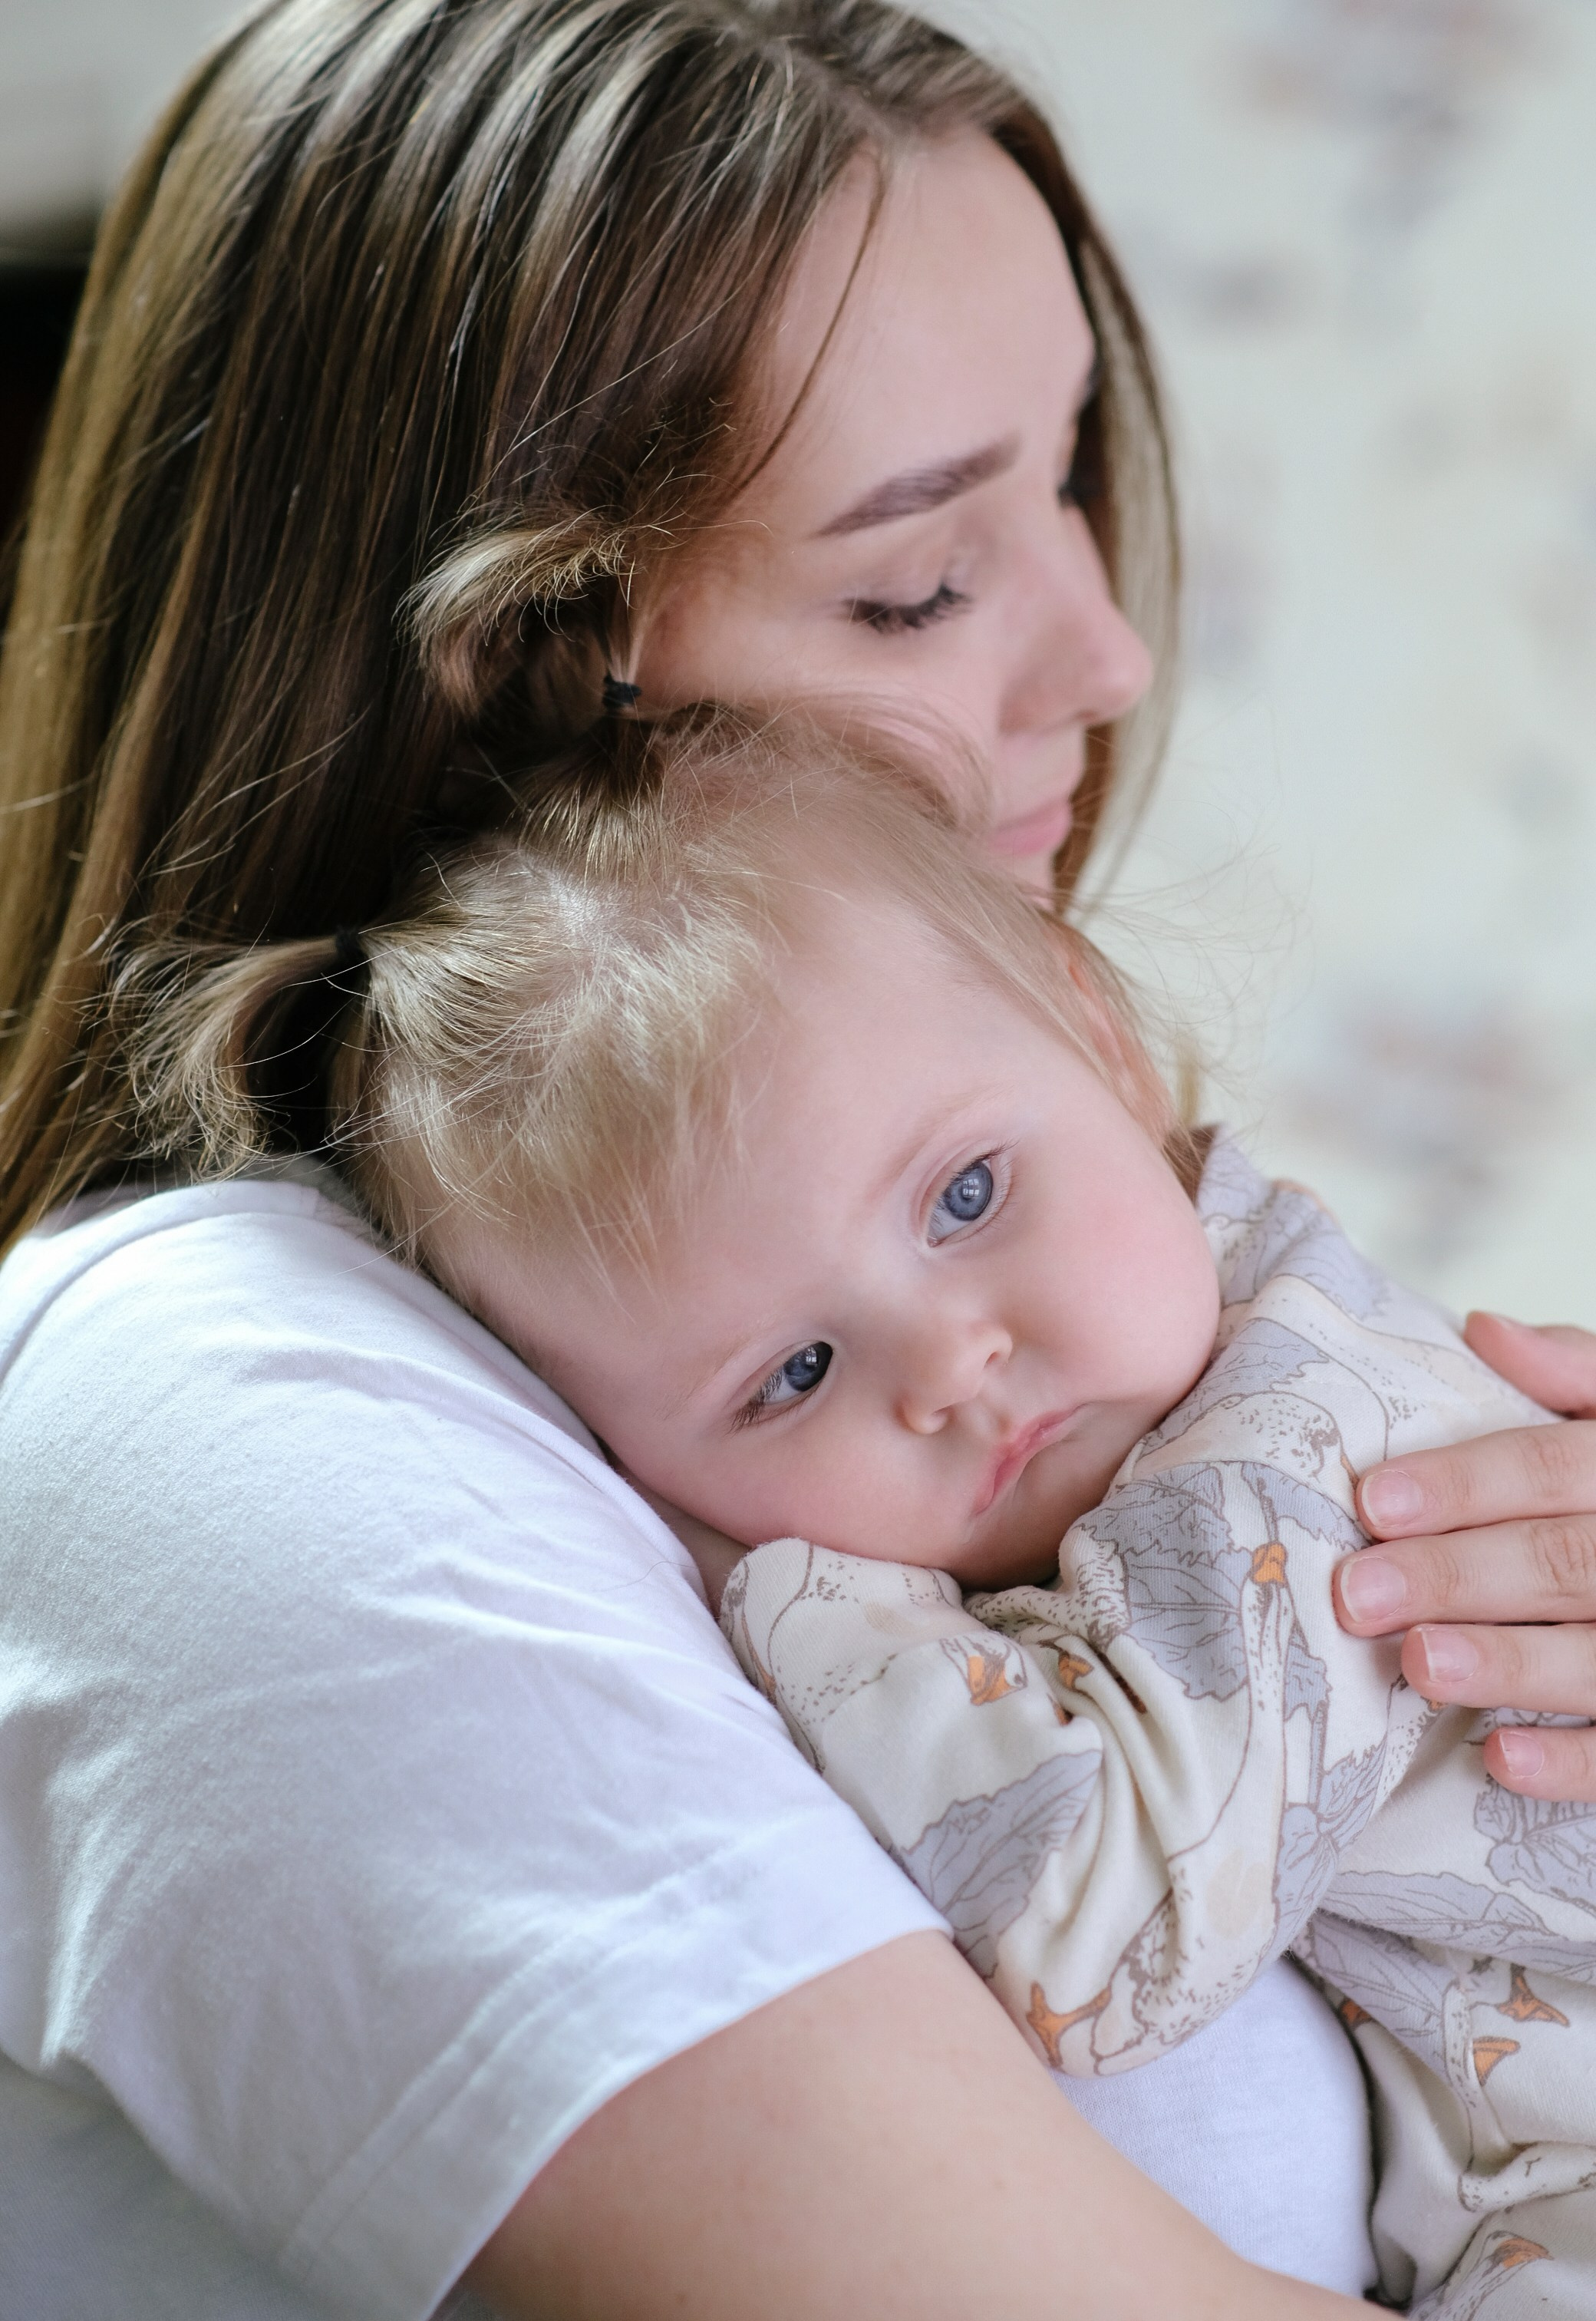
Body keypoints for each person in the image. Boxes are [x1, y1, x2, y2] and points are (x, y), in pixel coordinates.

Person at [0, 0, 1591, 2314]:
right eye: (925, 576)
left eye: (1067, 477)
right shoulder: (207, 1396)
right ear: (523, 685)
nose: (1105, 651)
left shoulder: (1153, 1343)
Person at [140, 711, 1593, 2317]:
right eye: (795, 1372)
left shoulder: (1282, 1473)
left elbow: (1095, 1937)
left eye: (965, 1195)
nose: (949, 1367)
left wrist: (783, 1593)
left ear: (1092, 1032)